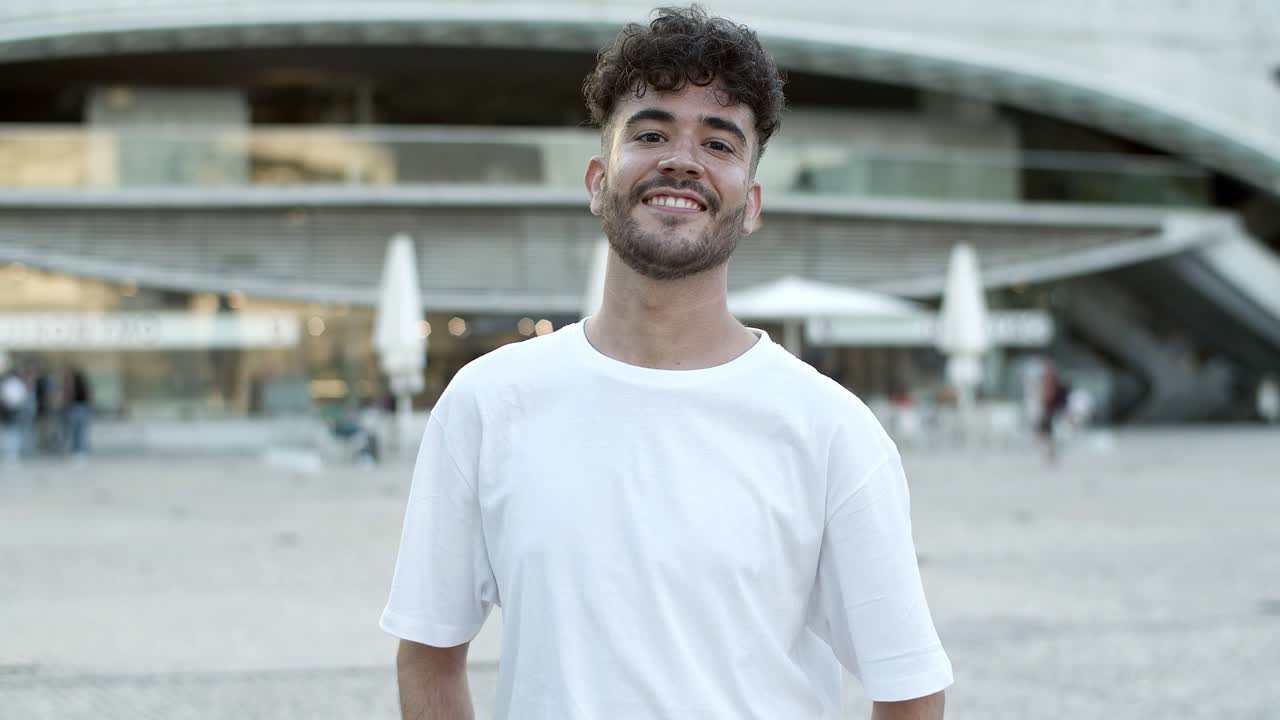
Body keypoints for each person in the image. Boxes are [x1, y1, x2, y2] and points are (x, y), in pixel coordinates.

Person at [381, 7, 952, 719]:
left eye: (719, 142)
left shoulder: (832, 430)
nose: (681, 159)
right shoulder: (489, 403)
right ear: (597, 181)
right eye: (650, 133)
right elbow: (429, 656)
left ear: (751, 205)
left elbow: (909, 690)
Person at [63, 366, 93, 458]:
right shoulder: (84, 384)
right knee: (81, 432)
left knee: (76, 432)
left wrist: (67, 406)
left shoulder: (72, 385)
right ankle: (80, 450)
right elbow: (89, 397)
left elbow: (69, 397)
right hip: (83, 408)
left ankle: (78, 450)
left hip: (76, 409)